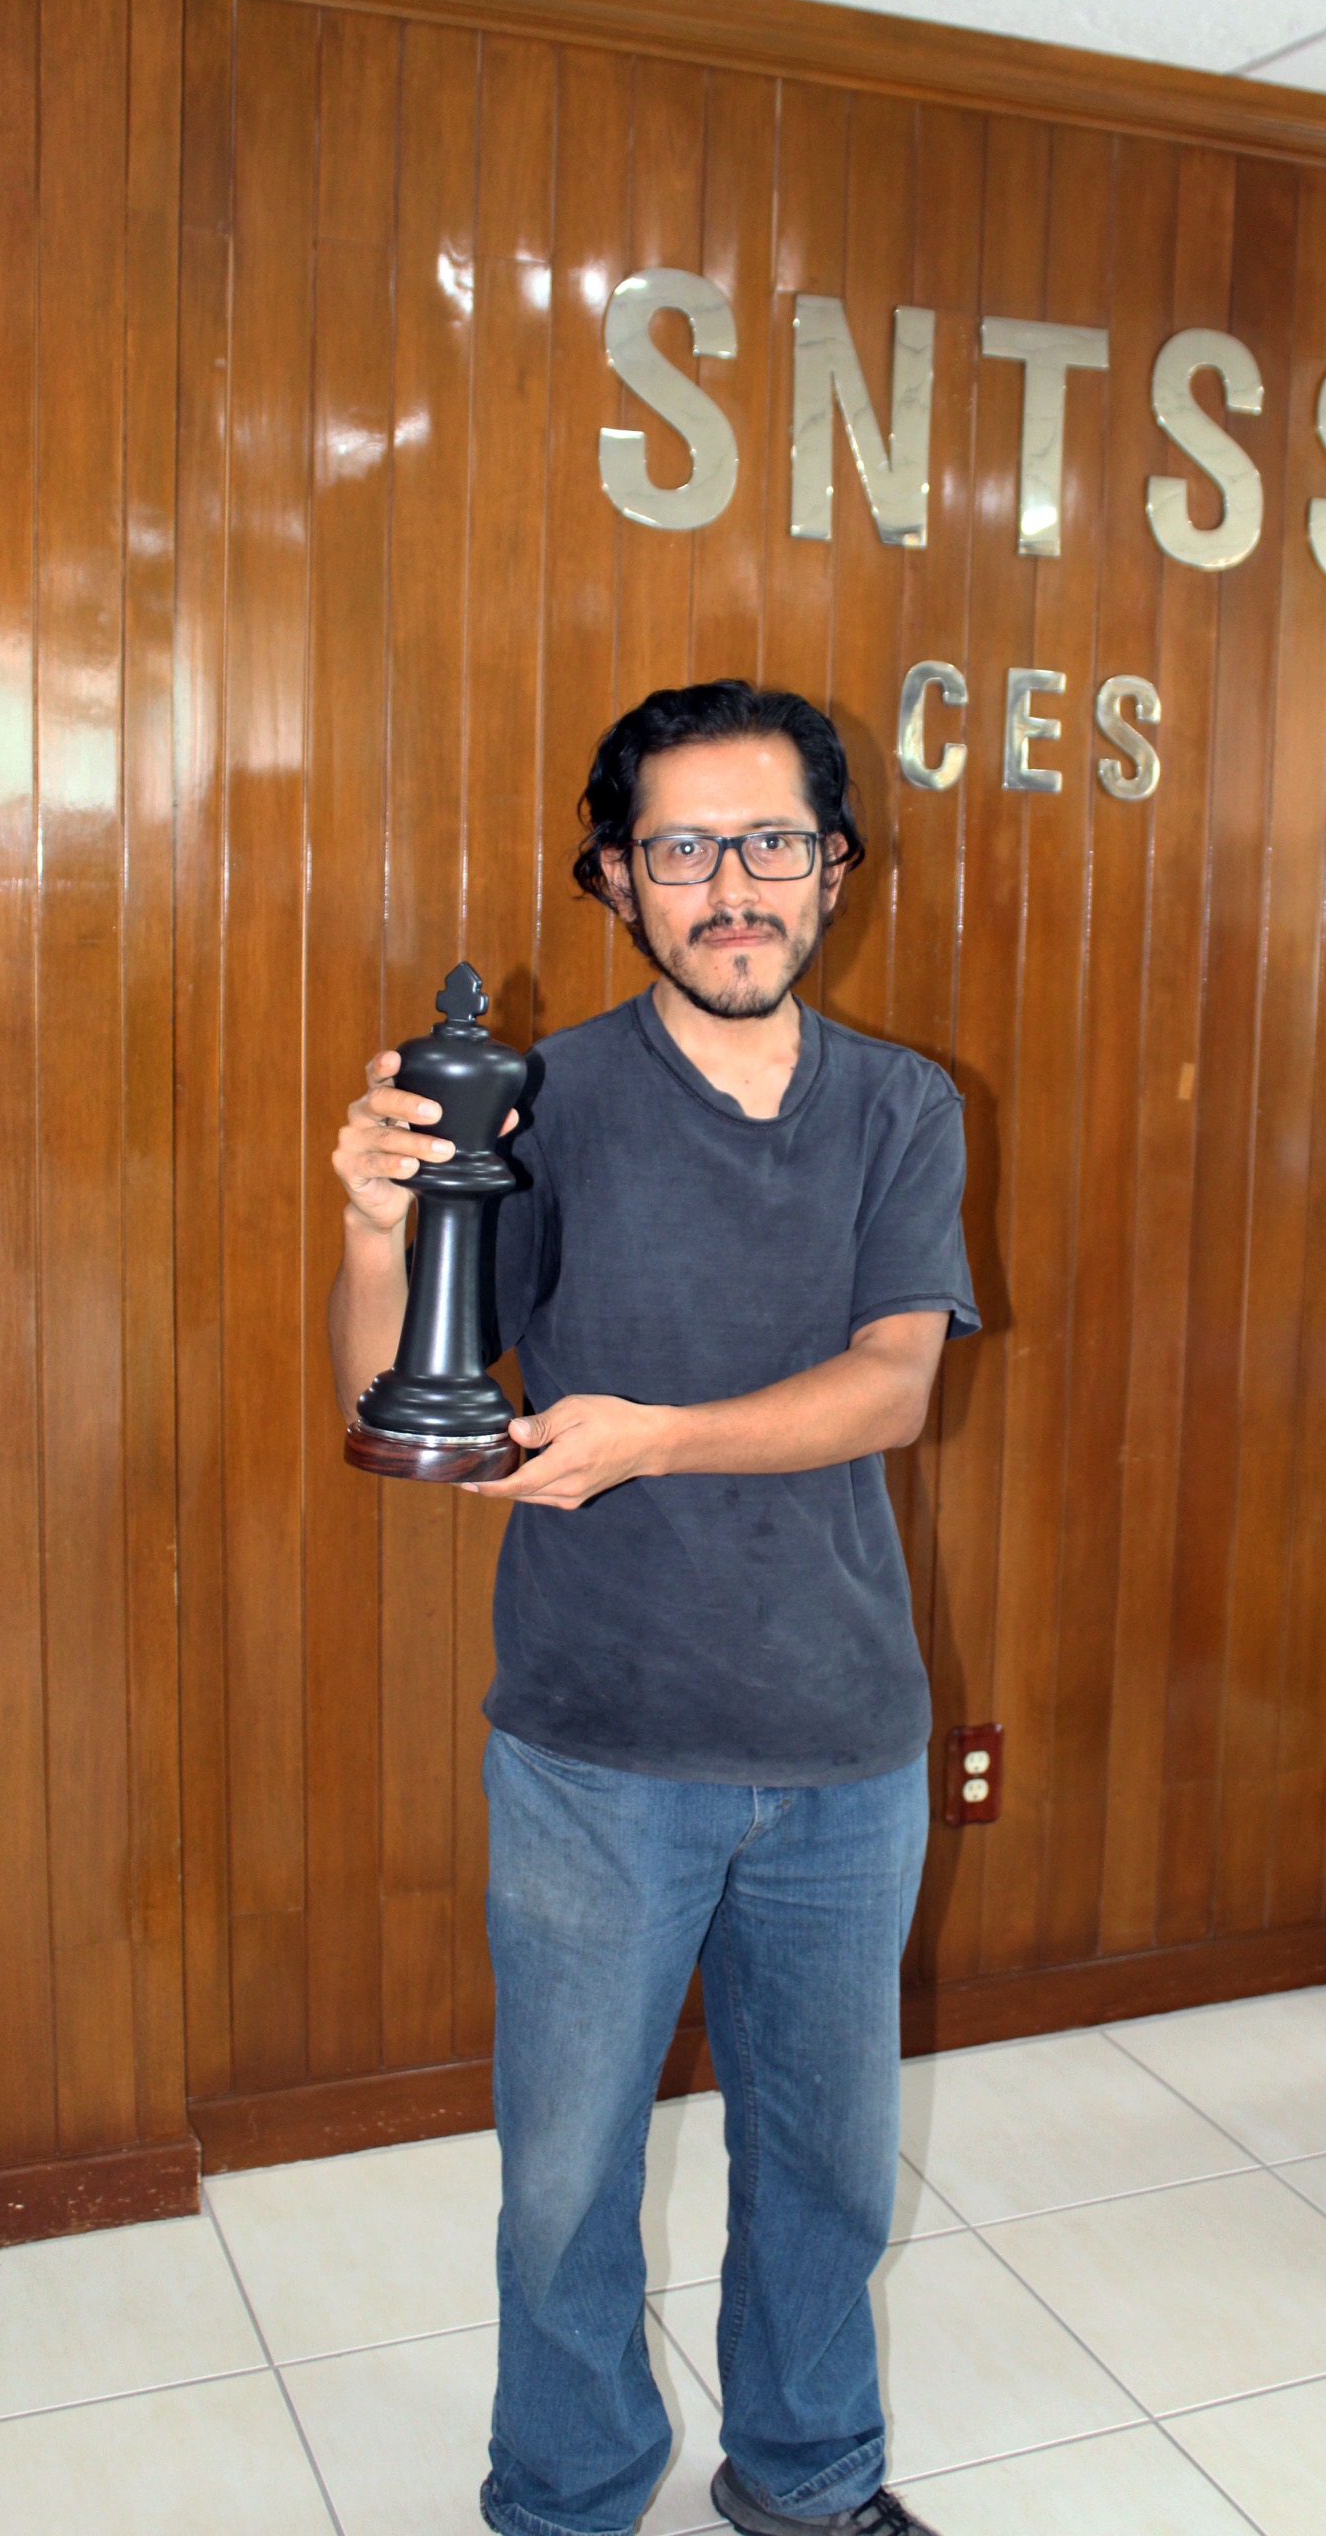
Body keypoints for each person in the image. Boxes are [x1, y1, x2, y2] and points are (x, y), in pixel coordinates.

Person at [328, 680, 978, 2536]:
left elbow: (893, 1387)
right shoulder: (552, 1102)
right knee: (565, 2185)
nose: (732, 887)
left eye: (771, 842)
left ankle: (808, 2479)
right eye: (682, 849)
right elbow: (393, 1394)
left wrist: (656, 1438)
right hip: (595, 1747)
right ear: (618, 879)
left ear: (833, 867)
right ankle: (566, 2494)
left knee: (826, 2168)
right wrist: (372, 1228)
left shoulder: (902, 1104)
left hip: (846, 1743)